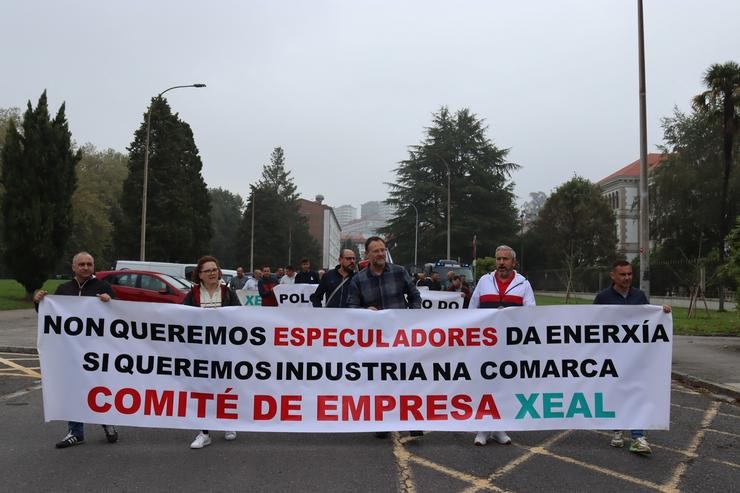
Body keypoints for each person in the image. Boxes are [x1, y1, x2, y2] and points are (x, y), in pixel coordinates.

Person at [33, 251, 119, 449]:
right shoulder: (64, 289)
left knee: (99, 388)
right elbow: (50, 317)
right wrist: (39, 302)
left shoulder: (103, 287)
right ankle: (75, 432)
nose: (86, 267)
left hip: (96, 351)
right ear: (73, 267)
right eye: (82, 264)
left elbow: (118, 315)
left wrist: (110, 302)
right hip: (70, 351)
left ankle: (108, 423)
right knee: (73, 390)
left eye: (89, 264)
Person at [594, 260, 672, 456]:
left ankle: (638, 436)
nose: (627, 278)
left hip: (636, 357)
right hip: (612, 356)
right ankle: (617, 430)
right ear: (613, 276)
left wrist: (662, 313)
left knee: (637, 392)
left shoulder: (639, 295)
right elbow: (592, 324)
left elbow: (648, 320)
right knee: (616, 392)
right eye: (623, 274)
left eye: (629, 274)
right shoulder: (603, 298)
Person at [347, 236, 422, 438]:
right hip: (375, 341)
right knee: (380, 382)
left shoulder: (399, 272)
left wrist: (412, 315)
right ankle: (382, 422)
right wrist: (364, 311)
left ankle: (412, 421)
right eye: (376, 251)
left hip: (401, 337)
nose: (380, 254)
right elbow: (351, 308)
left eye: (383, 250)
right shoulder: (358, 279)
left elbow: (415, 296)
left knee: (407, 379)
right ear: (367, 254)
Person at [469, 245, 535, 446]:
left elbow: (531, 313)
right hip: (486, 345)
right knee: (484, 384)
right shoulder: (484, 281)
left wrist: (509, 315)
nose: (501, 263)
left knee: (504, 386)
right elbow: (472, 310)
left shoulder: (523, 284)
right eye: (498, 259)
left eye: (505, 259)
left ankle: (498, 427)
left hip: (510, 345)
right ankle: (483, 428)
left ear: (514, 262)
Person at [184, 256, 242, 449]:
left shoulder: (228, 293)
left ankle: (228, 423)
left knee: (226, 387)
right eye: (207, 270)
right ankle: (204, 432)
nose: (212, 273)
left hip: (225, 349)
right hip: (201, 351)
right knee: (203, 391)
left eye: (214, 269)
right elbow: (180, 318)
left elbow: (240, 317)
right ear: (199, 275)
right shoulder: (192, 295)